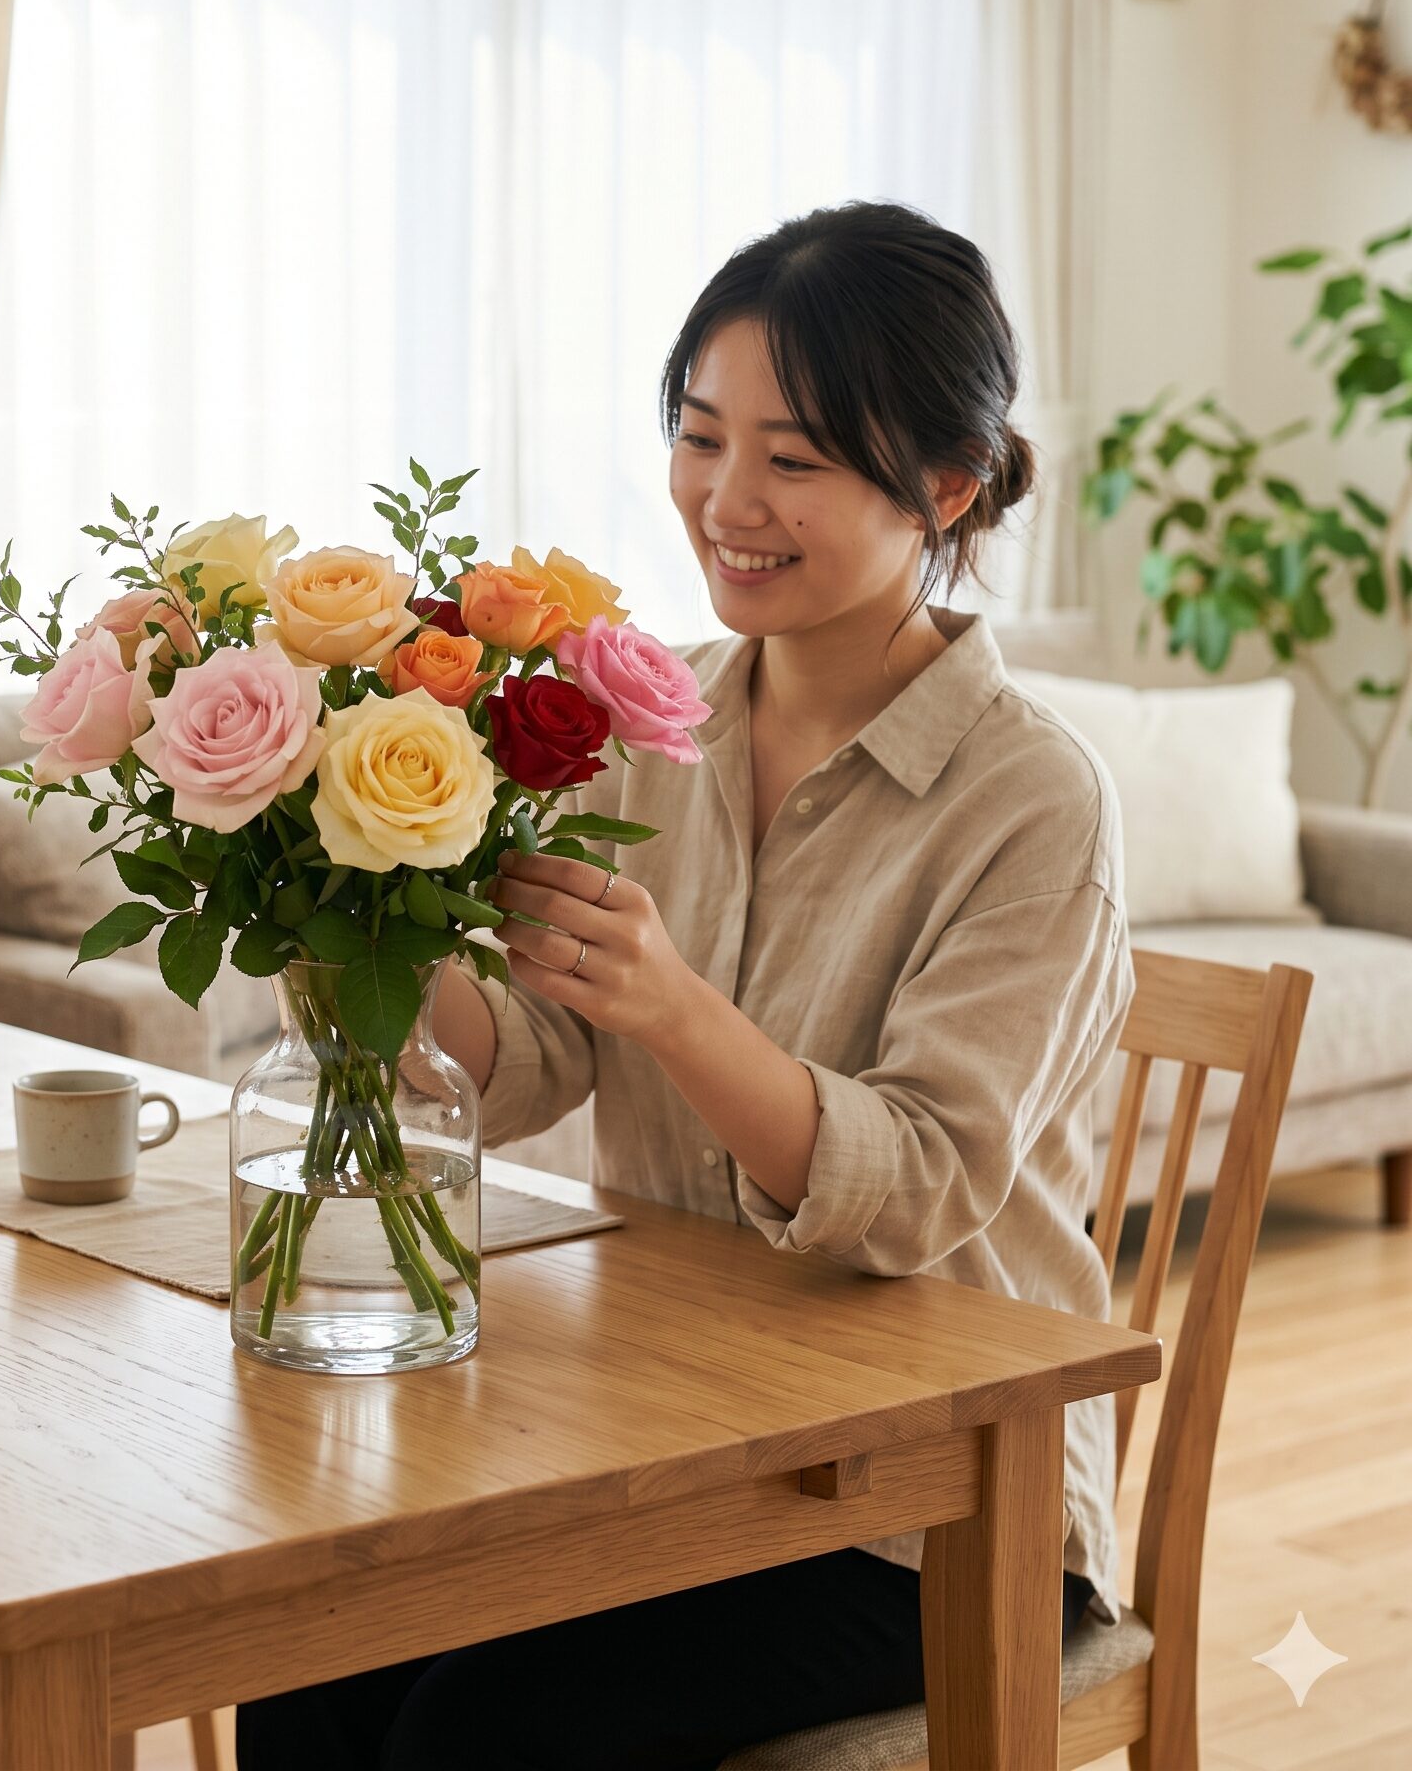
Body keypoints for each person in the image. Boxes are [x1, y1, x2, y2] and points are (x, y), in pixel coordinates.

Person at [234, 200, 1133, 1771]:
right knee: (307, 1667)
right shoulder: (648, 730)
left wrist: (677, 1009)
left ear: (946, 484)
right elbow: (519, 1072)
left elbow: (919, 1186)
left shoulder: (1032, 802)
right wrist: (367, 904)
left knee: (486, 1736)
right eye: (701, 437)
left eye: (796, 461)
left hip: (936, 1504)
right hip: (667, 1435)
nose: (728, 502)